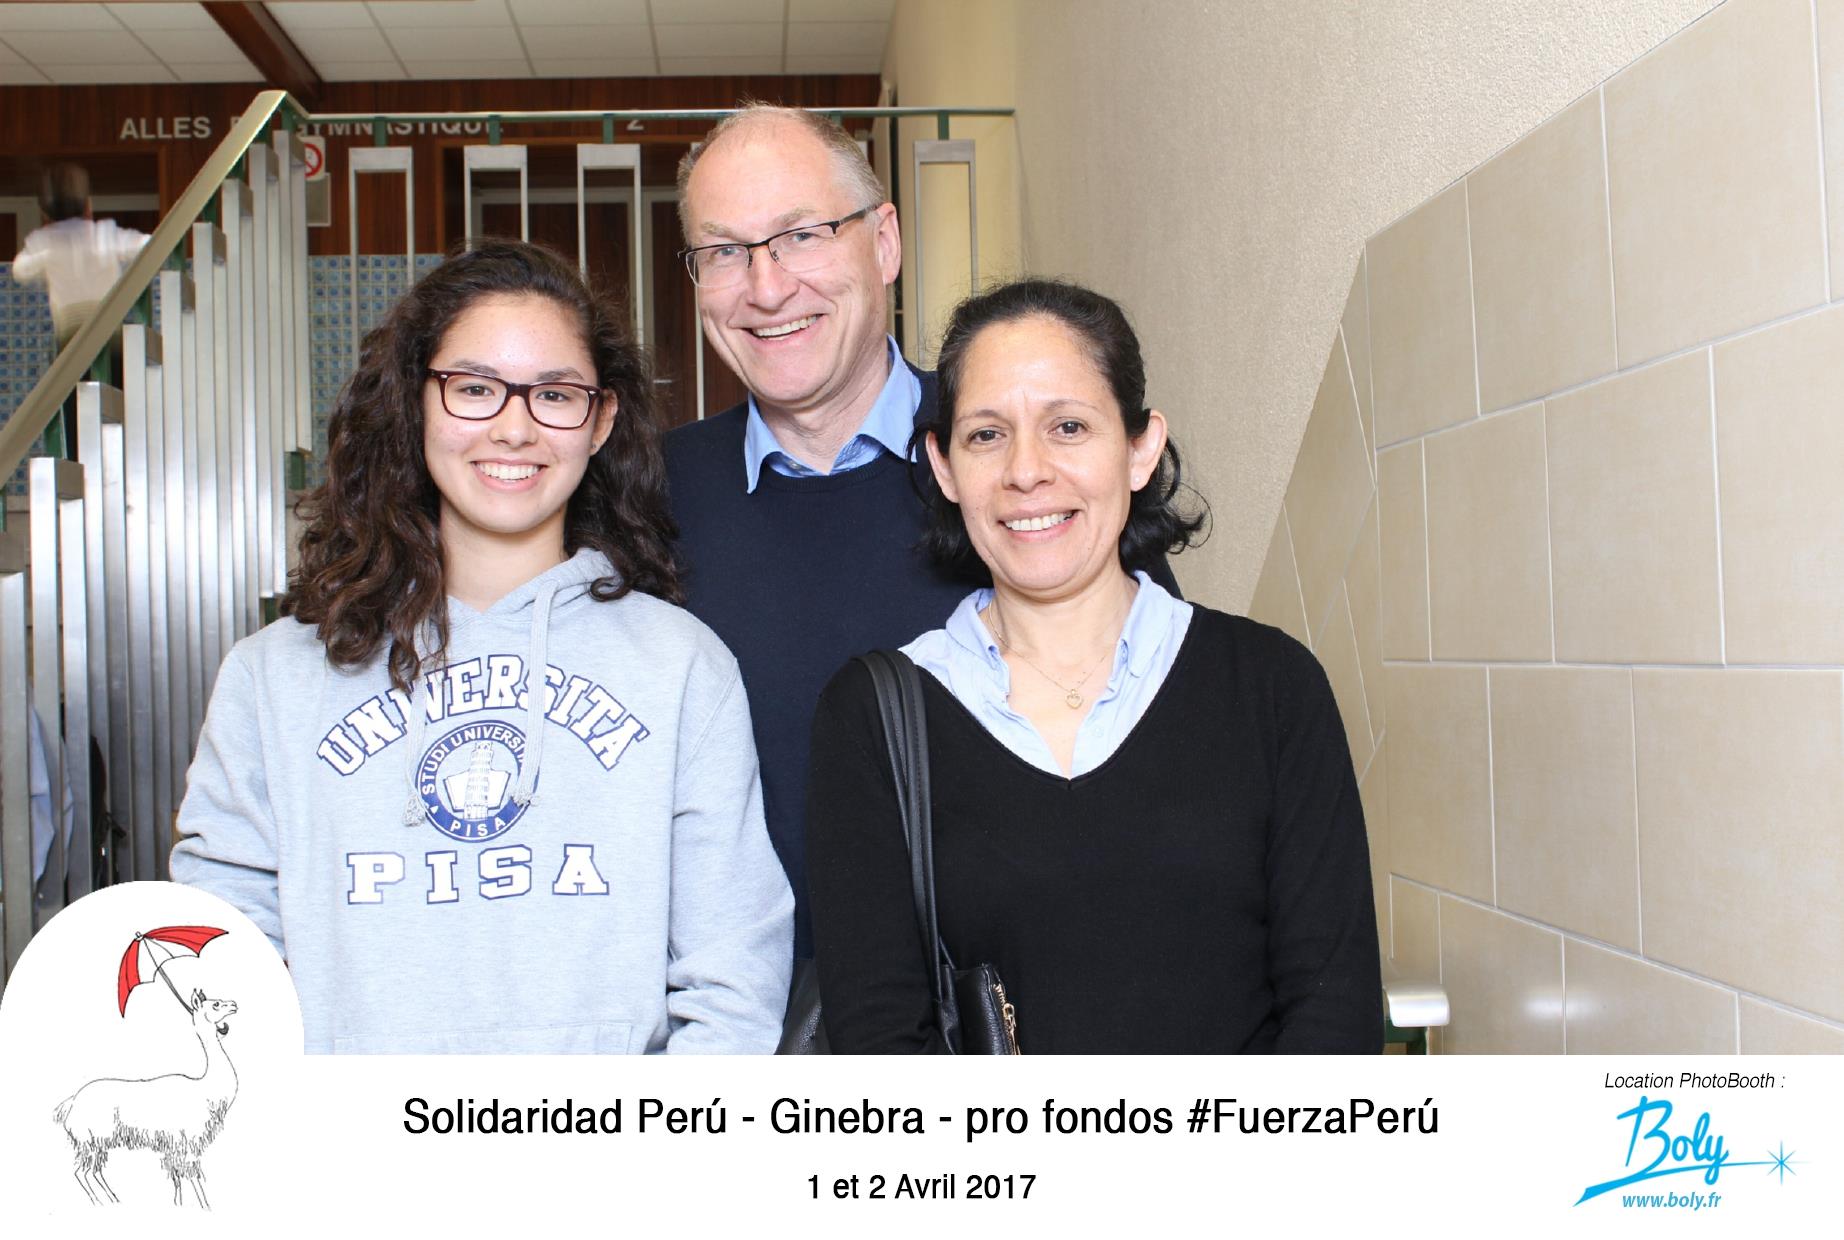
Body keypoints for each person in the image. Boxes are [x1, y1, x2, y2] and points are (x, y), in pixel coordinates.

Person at [171, 240, 792, 1054]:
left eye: (555, 395)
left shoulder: (680, 666)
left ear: (600, 421)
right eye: (473, 388)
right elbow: (224, 949)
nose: (513, 428)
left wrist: (650, 1138)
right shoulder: (271, 678)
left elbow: (733, 976)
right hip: (352, 1134)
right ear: (416, 402)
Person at [807, 279, 1381, 1054]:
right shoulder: (872, 719)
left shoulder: (1273, 689)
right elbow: (881, 1046)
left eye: (1069, 426)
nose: (1026, 470)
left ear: (1140, 448)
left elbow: (1334, 1018)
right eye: (986, 435)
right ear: (943, 468)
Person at [665, 105, 1178, 965]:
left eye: (801, 235)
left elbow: (1165, 741)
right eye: (724, 252)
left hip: (1025, 1007)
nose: (766, 287)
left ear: (884, 243)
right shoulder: (648, 497)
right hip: (745, 1018)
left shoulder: (1027, 468)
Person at [11, 164, 149, 351]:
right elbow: (147, 245)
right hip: (110, 333)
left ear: (45, 215)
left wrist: (50, 256)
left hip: (70, 339)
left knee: (71, 369)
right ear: (88, 205)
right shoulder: (105, 234)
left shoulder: (43, 241)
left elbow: (20, 270)